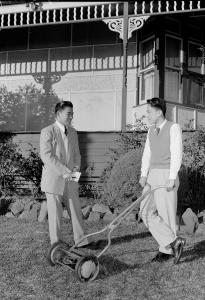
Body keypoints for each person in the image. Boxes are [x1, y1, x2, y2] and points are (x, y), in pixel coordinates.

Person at [40, 101, 92, 251]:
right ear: (58, 114)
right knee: (55, 215)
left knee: (75, 210)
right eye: (69, 113)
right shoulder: (47, 131)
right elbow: (46, 155)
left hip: (71, 180)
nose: (71, 116)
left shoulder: (73, 132)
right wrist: (64, 171)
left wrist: (74, 175)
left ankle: (81, 241)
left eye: (72, 113)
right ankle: (56, 245)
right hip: (54, 179)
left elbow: (77, 155)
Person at [139, 97, 186, 264]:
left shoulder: (173, 128)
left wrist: (172, 177)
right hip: (152, 175)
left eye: (149, 111)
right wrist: (144, 174)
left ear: (159, 111)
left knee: (166, 214)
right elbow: (147, 154)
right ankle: (173, 242)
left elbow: (176, 154)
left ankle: (166, 250)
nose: (147, 115)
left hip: (166, 175)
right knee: (145, 211)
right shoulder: (151, 130)